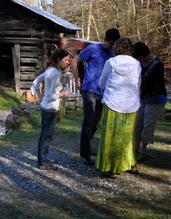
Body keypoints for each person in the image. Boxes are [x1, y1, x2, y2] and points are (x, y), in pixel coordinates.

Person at [71, 28, 119, 165]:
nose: (112, 46)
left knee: (95, 123)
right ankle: (84, 154)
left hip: (104, 93)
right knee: (88, 121)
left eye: (114, 44)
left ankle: (86, 146)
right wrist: (77, 79)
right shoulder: (93, 48)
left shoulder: (114, 54)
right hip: (89, 90)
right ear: (105, 39)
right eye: (110, 43)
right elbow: (75, 61)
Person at [96, 38, 141, 177]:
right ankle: (128, 164)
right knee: (126, 137)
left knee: (111, 136)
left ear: (117, 48)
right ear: (130, 49)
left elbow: (101, 83)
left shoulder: (111, 62)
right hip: (131, 104)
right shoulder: (136, 64)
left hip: (113, 102)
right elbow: (138, 84)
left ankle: (110, 168)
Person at [30, 48, 71, 169]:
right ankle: (43, 162)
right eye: (65, 59)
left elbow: (36, 81)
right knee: (47, 135)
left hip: (44, 106)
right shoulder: (56, 73)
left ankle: (43, 159)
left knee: (45, 134)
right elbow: (51, 95)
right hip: (50, 108)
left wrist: (38, 95)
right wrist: (62, 94)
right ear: (58, 59)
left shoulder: (51, 70)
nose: (67, 62)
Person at [132, 42, 168, 159]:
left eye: (138, 56)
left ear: (143, 54)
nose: (138, 59)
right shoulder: (139, 63)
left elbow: (149, 83)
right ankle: (134, 149)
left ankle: (142, 150)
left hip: (156, 99)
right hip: (143, 97)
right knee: (137, 124)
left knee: (147, 125)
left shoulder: (157, 64)